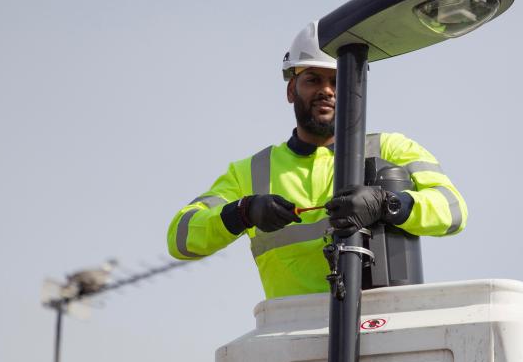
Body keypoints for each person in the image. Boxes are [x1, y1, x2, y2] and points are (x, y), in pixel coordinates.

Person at [167, 21, 467, 299]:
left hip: (381, 326)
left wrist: (386, 203)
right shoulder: (251, 171)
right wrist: (243, 212)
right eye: (313, 79)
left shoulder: (390, 149)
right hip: (293, 336)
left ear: (356, 91)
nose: (326, 90)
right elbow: (181, 237)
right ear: (290, 90)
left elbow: (453, 210)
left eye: (338, 81)